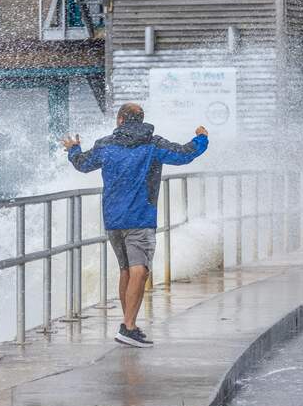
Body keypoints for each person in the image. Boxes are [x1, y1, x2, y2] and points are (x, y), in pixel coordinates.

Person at [61, 103, 209, 348]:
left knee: (127, 271)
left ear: (120, 120)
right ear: (140, 120)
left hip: (113, 220)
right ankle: (128, 327)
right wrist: (201, 138)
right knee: (140, 271)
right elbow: (184, 155)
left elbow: (83, 164)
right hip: (140, 218)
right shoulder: (153, 144)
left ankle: (129, 324)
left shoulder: (105, 145)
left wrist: (73, 149)